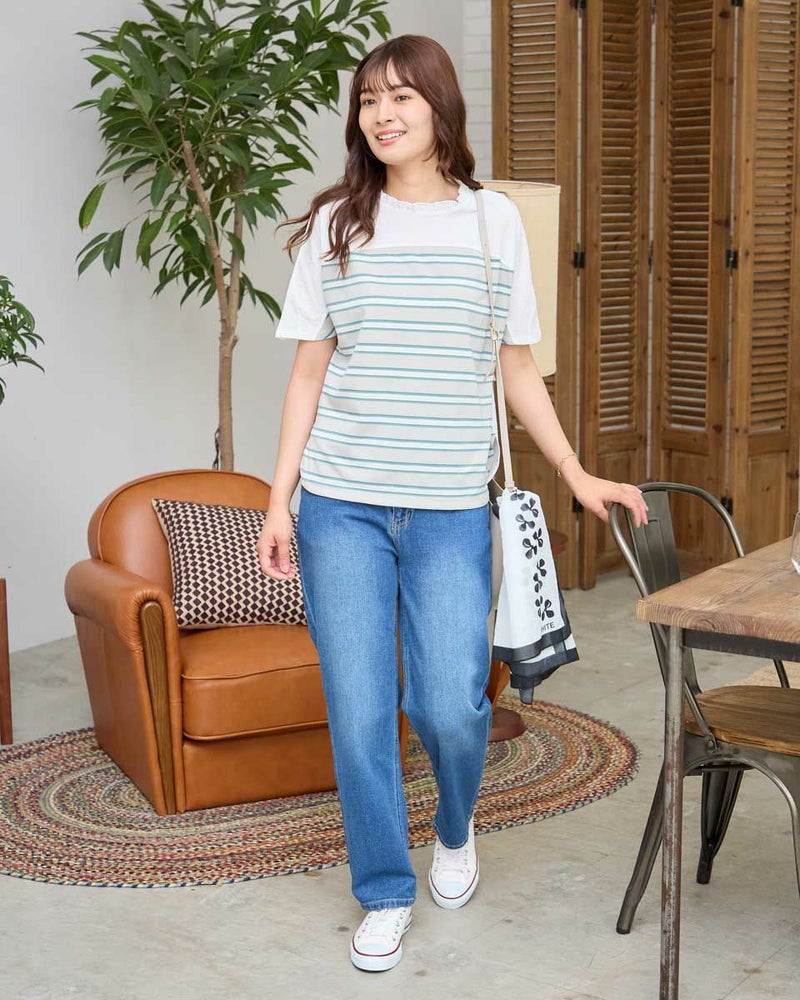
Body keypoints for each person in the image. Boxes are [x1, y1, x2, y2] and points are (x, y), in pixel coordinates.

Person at [257, 34, 648, 973]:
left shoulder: (491, 222)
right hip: (342, 506)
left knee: (450, 706)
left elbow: (517, 366)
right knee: (359, 712)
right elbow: (308, 375)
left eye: (401, 96)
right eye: (367, 100)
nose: (382, 114)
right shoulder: (337, 226)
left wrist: (577, 474)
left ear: (440, 107)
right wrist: (279, 502)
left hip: (447, 510)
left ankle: (456, 823)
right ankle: (384, 891)